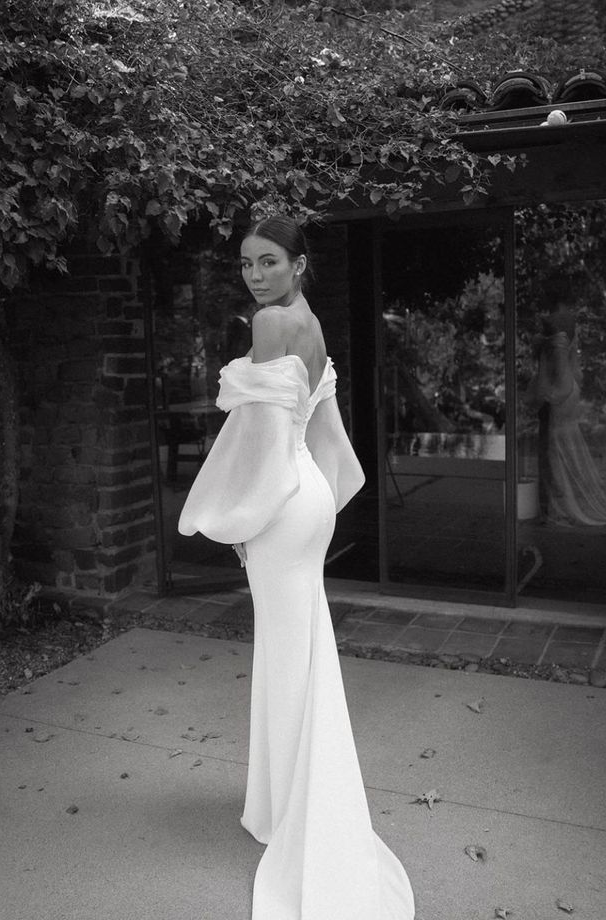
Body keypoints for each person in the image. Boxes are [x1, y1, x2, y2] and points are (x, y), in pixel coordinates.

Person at [178, 216, 415, 920]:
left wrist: (240, 522)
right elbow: (319, 425)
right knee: (297, 652)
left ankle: (297, 810)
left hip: (283, 503)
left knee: (289, 657)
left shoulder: (269, 325)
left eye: (269, 261)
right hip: (309, 498)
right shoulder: (307, 322)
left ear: (299, 264)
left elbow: (258, 440)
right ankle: (284, 804)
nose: (255, 274)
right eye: (247, 263)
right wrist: (315, 499)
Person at [527, 285, 606, 526]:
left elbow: (549, 358)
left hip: (559, 388)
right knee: (567, 443)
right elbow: (572, 361)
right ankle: (565, 502)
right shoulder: (571, 320)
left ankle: (560, 506)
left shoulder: (550, 320)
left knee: (556, 448)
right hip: (571, 385)